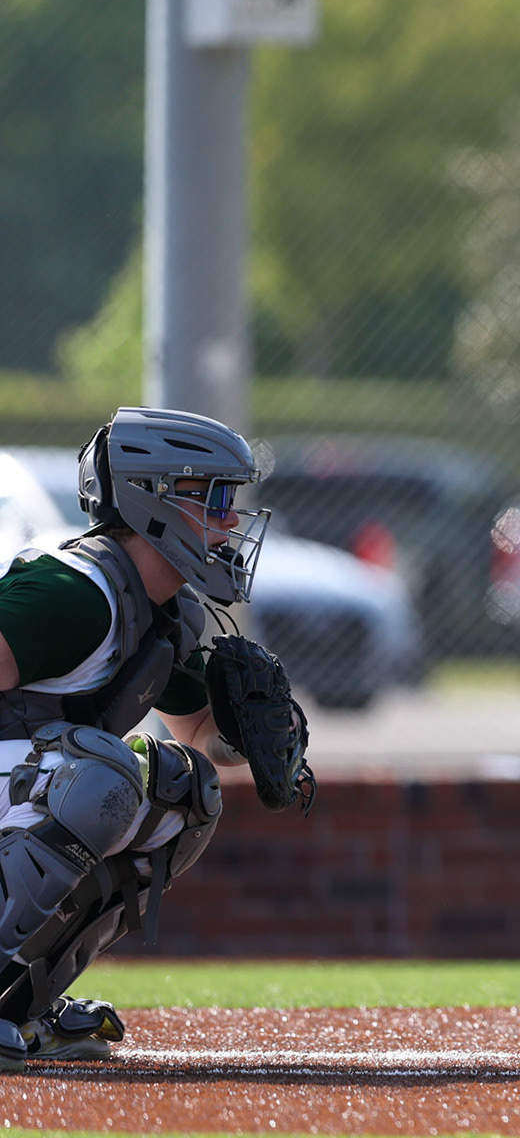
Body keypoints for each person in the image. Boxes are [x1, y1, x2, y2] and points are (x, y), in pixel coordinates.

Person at [0, 407, 303, 1068]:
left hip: (20, 784)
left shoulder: (166, 613)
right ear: (153, 501)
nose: (231, 520)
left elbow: (197, 737)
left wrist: (253, 730)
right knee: (101, 775)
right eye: (215, 497)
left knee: (184, 795)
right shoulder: (76, 591)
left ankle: (20, 1007)